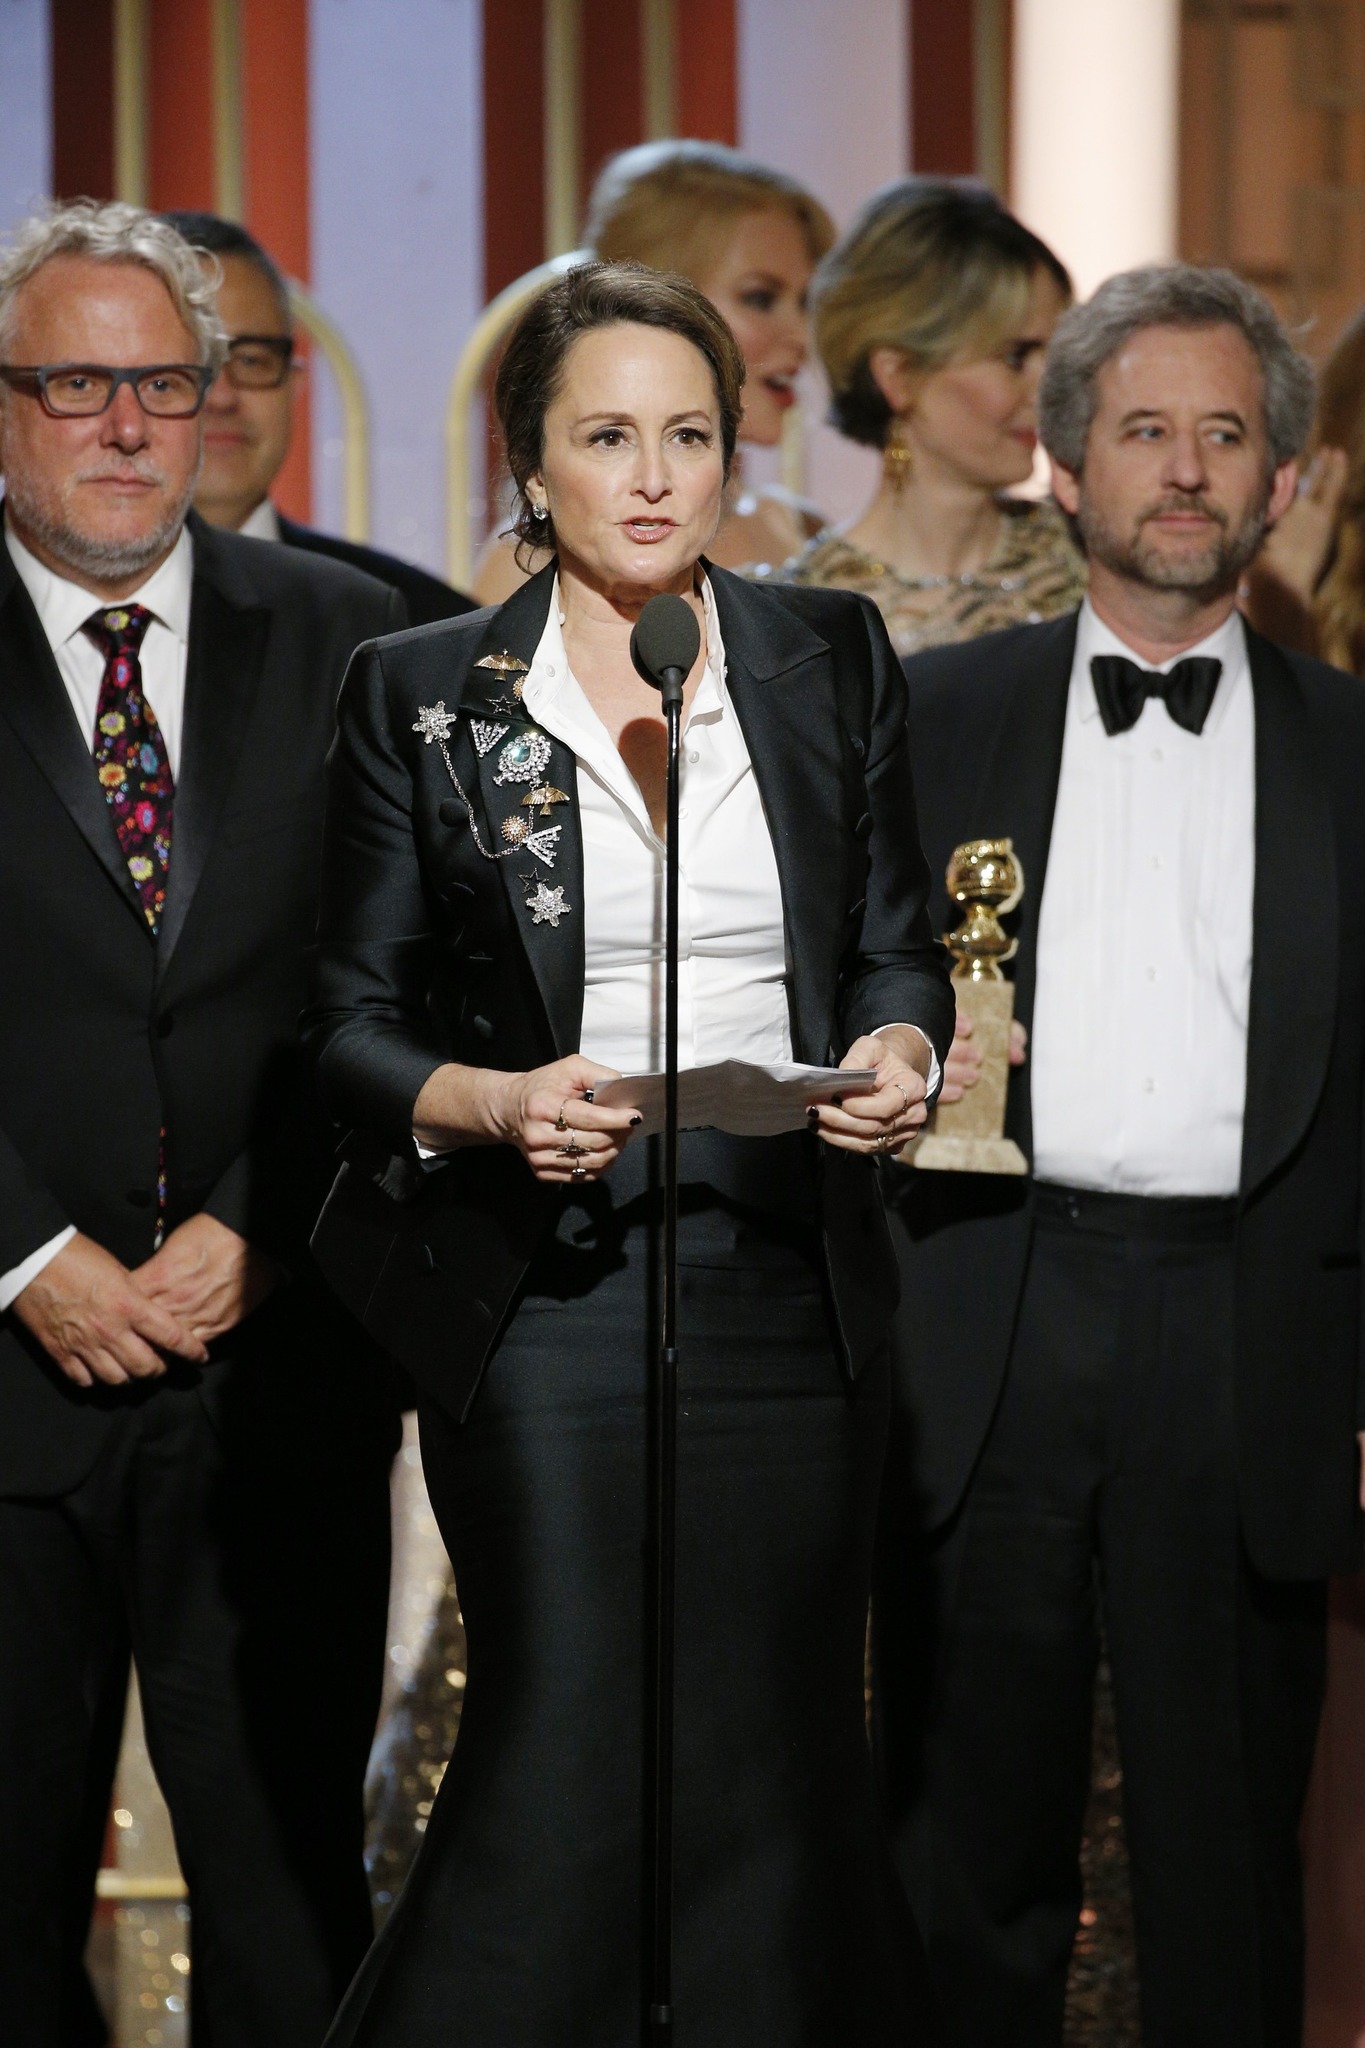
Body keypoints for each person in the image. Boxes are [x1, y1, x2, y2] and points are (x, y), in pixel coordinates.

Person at [304, 259, 954, 2045]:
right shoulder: (423, 688)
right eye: (609, 435)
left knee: (779, 1749)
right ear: (535, 463)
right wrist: (496, 1101)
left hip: (784, 1276)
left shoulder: (831, 654)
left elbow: (897, 941)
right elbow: (345, 1024)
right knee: (567, 1731)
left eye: (691, 431)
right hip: (546, 1296)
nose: (657, 476)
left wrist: (901, 1048)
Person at [873, 263, 1365, 2048]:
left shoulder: (1353, 757)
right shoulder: (929, 718)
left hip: (1249, 1342)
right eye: (1141, 429)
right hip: (988, 1319)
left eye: (1224, 434)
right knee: (966, 1851)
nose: (1183, 467)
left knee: (1226, 1856)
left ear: (1282, 484)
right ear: (1064, 469)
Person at [0, 201, 402, 2047]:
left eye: (169, 379)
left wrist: (263, 1206)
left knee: (288, 1902)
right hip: (7, 1384)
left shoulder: (356, 635)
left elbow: (398, 985)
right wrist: (25, 1251)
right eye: (74, 381)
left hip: (276, 1378)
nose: (129, 424)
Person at [472, 138, 834, 600]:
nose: (801, 335)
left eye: (805, 302)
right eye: (759, 297)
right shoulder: (529, 567)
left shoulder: (800, 531)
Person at [785, 178, 1086, 655]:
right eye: (1015, 356)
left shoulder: (1086, 558)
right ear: (898, 375)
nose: (1048, 388)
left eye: (1056, 354)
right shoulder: (802, 617)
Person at [159, 210, 477, 624]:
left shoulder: (417, 623)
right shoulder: (53, 613)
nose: (221, 397)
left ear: (294, 384)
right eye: (190, 364)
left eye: (253, 360)